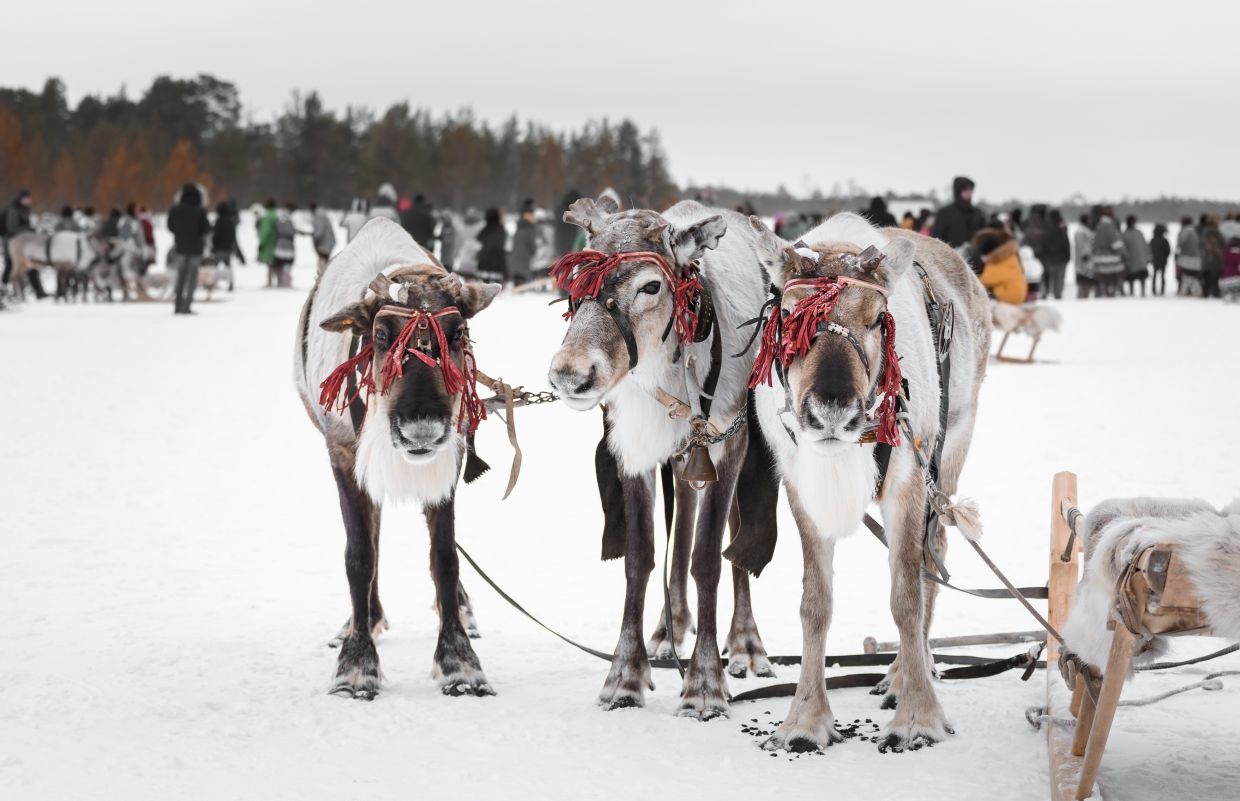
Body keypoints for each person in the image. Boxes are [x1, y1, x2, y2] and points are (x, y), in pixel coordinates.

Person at [166, 183, 212, 315]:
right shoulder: (200, 210)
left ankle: (177, 305)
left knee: (180, 278)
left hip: (180, 248)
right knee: (192, 279)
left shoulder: (175, 210)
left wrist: (179, 234)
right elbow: (206, 229)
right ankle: (187, 306)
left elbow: (170, 226)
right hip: (196, 249)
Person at [931, 176, 987, 270]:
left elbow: (984, 237)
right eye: (965, 190)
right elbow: (936, 239)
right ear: (958, 191)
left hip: (977, 265)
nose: (969, 192)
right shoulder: (945, 213)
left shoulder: (978, 213)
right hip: (951, 264)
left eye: (970, 190)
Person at [3, 189, 46, 298]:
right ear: (21, 199)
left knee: (30, 266)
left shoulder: (25, 210)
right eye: (27, 198)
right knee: (10, 266)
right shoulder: (13, 210)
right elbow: (11, 228)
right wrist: (28, 230)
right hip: (11, 244)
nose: (29, 200)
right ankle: (3, 288)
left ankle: (39, 292)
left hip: (22, 245)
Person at [973, 227, 1028, 304]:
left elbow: (985, 280)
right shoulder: (1010, 256)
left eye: (984, 255)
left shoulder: (995, 262)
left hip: (1008, 296)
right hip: (1019, 295)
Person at [1091, 206, 1126, 298]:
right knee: (1113, 280)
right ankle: (1110, 297)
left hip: (1099, 259)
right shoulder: (1109, 226)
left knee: (1102, 281)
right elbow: (1115, 243)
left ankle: (1104, 295)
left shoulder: (1098, 226)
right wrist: (1124, 253)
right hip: (1110, 260)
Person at [211, 200, 243, 291]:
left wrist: (214, 245)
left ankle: (212, 283)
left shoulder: (219, 221)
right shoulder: (230, 221)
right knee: (228, 267)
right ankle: (231, 284)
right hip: (227, 248)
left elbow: (216, 235)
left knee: (214, 267)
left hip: (219, 248)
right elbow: (233, 235)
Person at [1041, 209, 1072, 300]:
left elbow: (1043, 243)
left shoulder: (1045, 227)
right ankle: (1058, 294)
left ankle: (1046, 293)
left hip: (1049, 258)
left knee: (1049, 278)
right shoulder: (1062, 227)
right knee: (1060, 278)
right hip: (1062, 258)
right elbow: (1066, 242)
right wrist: (1068, 255)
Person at [509, 206, 540, 285]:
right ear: (526, 215)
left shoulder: (519, 228)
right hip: (525, 265)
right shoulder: (529, 229)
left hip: (516, 265)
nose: (534, 217)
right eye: (532, 215)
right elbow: (532, 248)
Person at [475, 207, 507, 283]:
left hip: (486, 257)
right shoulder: (501, 228)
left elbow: (478, 238)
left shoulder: (486, 228)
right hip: (498, 257)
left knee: (485, 278)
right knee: (497, 278)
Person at [1121, 215, 1150, 297]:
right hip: (1136, 261)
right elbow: (1145, 246)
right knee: (1136, 278)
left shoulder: (1128, 234)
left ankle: (1138, 293)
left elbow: (1145, 245)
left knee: (1136, 278)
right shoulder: (1135, 233)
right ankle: (1136, 294)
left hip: (1136, 261)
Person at [272, 202, 298, 288]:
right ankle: (286, 282)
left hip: (279, 243)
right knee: (287, 263)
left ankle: (280, 281)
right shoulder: (288, 220)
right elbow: (292, 231)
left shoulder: (279, 218)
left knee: (279, 264)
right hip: (288, 244)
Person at [1175, 215, 1201, 296]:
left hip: (1187, 257)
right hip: (1196, 256)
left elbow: (1180, 243)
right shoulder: (1194, 231)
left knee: (1187, 276)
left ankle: (1189, 291)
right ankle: (1188, 291)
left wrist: (1177, 253)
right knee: (1190, 275)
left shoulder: (1186, 231)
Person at [1199, 214, 1225, 299]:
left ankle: (1205, 292)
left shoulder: (1204, 230)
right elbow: (1222, 243)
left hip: (1205, 257)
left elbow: (1201, 243)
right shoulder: (1217, 231)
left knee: (1206, 277)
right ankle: (1215, 292)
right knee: (1215, 277)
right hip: (1215, 257)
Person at [554, 188, 583, 257]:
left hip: (570, 243)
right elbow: (564, 218)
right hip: (562, 244)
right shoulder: (561, 209)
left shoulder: (570, 211)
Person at [309, 202, 336, 274]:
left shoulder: (319, 215)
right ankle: (324, 276)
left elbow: (319, 231)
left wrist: (315, 237)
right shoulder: (322, 213)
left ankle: (322, 277)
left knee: (322, 262)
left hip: (324, 243)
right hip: (328, 242)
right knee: (325, 261)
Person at [1074, 213, 1096, 299]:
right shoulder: (1081, 231)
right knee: (1084, 281)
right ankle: (1082, 298)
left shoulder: (1085, 230)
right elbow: (1081, 245)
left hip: (1086, 260)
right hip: (1084, 260)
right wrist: (1085, 256)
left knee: (1086, 280)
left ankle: (1084, 297)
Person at [257, 199, 278, 287]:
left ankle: (270, 282)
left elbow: (265, 231)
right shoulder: (276, 215)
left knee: (270, 263)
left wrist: (262, 242)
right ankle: (279, 280)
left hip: (269, 243)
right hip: (277, 242)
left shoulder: (268, 217)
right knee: (275, 263)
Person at [1149, 223, 1171, 296]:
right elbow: (1168, 251)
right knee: (1162, 276)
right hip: (1163, 261)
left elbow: (1149, 250)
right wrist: (1165, 257)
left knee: (1154, 275)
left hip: (1155, 261)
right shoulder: (1164, 240)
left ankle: (1154, 289)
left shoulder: (1152, 240)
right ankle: (1162, 289)